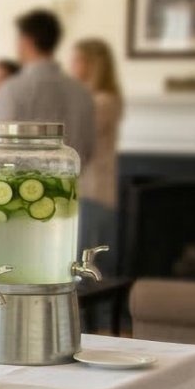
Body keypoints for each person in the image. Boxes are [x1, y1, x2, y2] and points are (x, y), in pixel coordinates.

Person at [0, 9, 96, 168]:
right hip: (69, 187)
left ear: (26, 41)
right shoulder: (82, 92)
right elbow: (89, 149)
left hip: (20, 189)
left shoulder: (11, 89)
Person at [69, 38, 123, 262]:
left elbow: (76, 140)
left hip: (93, 192)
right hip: (87, 192)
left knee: (87, 262)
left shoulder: (103, 102)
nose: (71, 66)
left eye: (76, 60)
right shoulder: (92, 101)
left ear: (91, 64)